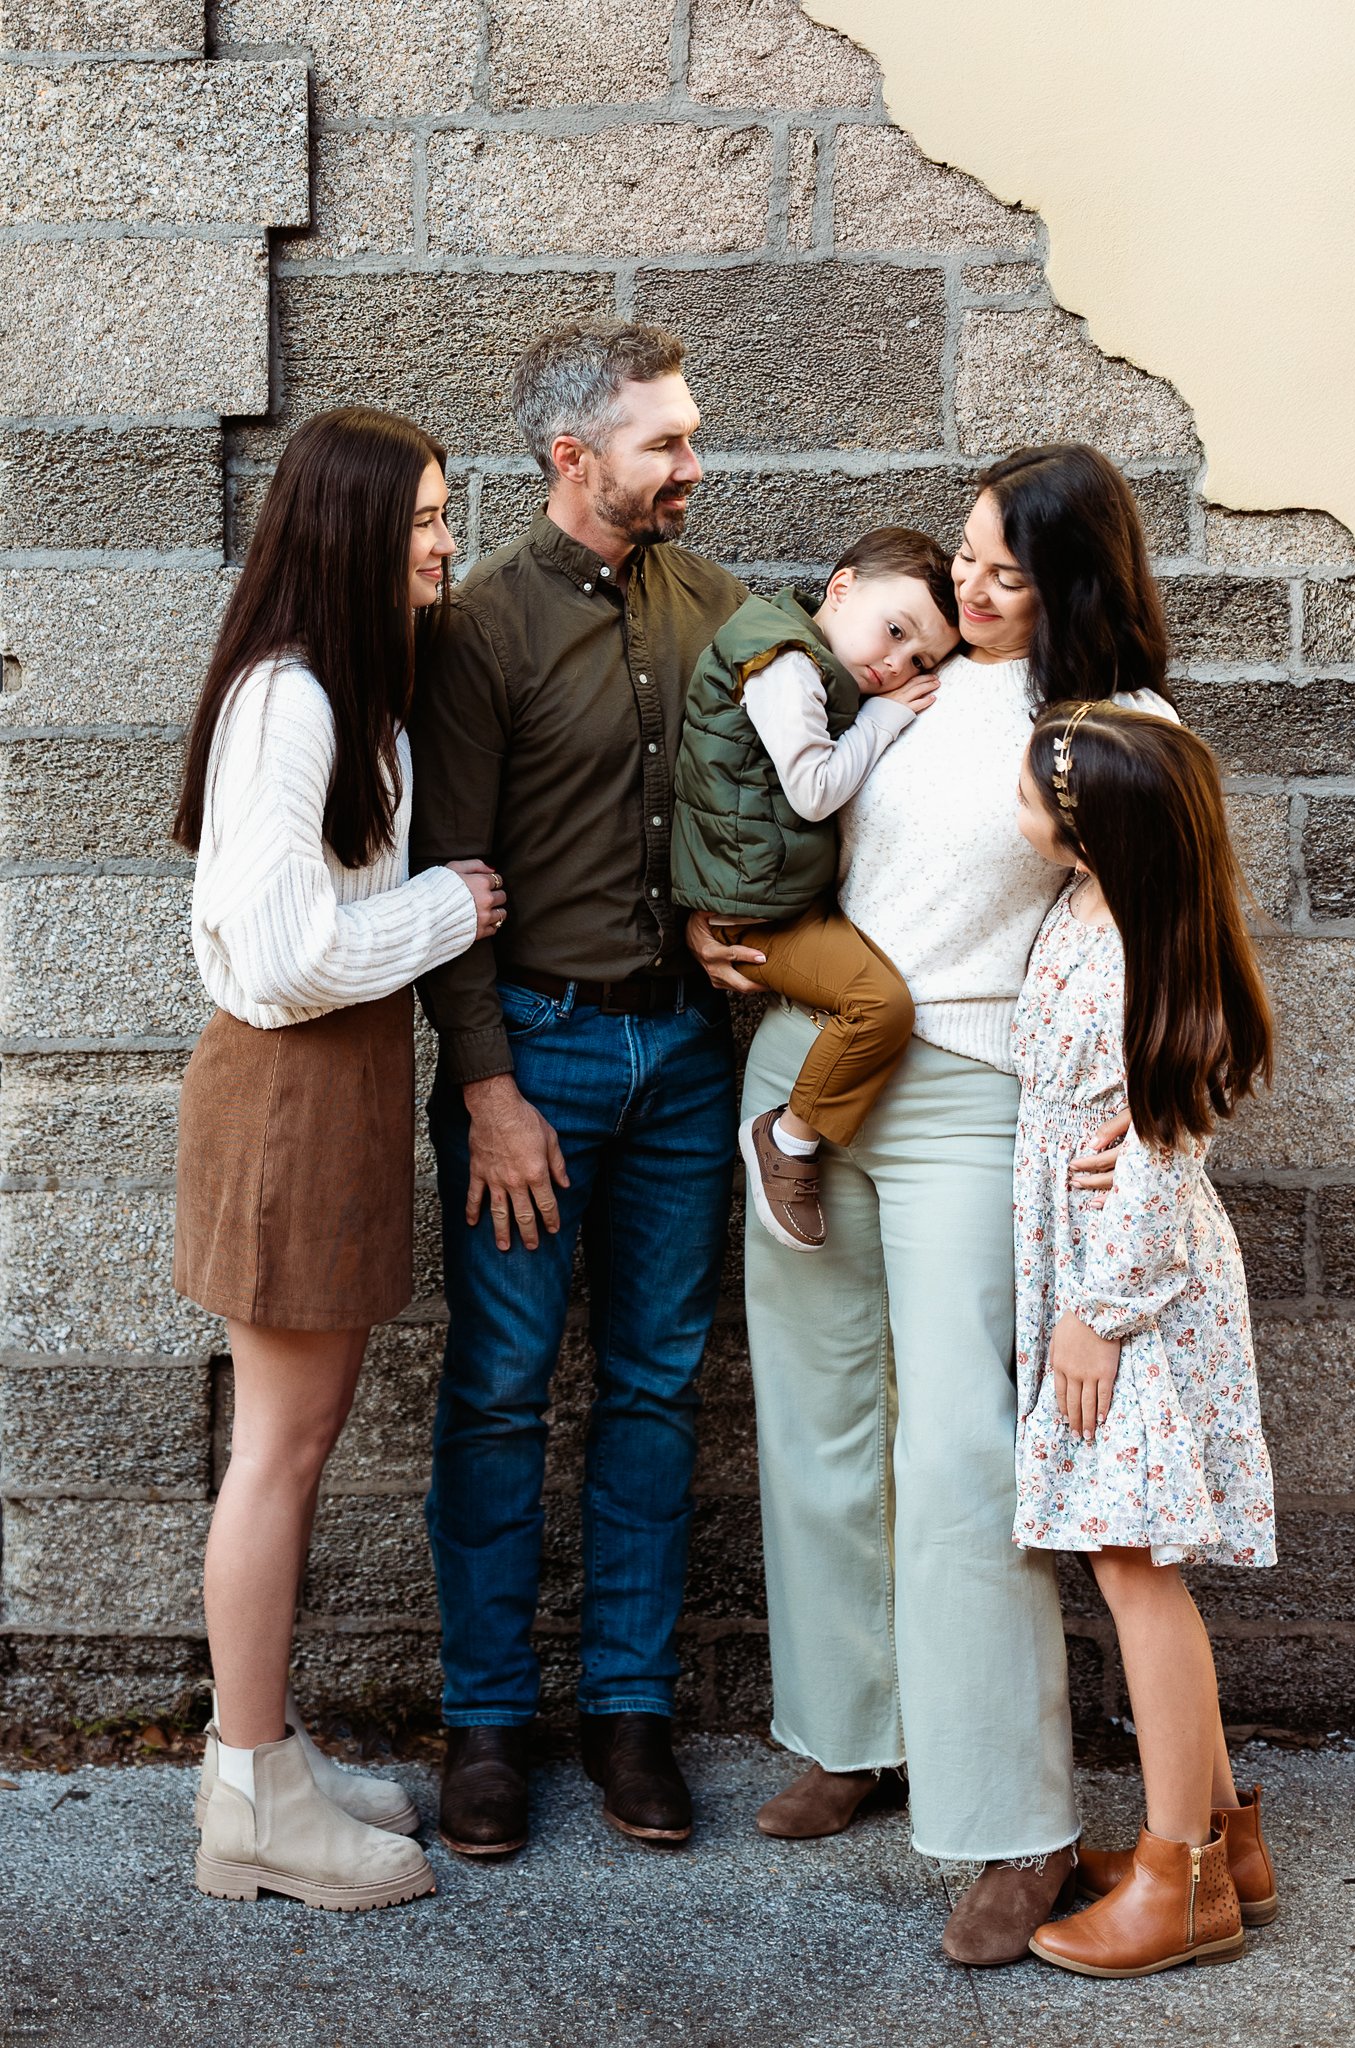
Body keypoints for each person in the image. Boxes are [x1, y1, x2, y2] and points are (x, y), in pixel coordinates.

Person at [689, 442, 1180, 1965]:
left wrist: (1160, 1112)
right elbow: (782, 826)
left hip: (971, 1091)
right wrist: (724, 930)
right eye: (964, 554)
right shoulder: (901, 679)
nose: (965, 587)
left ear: (1073, 585)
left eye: (1004, 573)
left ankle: (1013, 1823)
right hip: (802, 1065)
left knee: (964, 1446)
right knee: (816, 1415)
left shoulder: (1117, 726)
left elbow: (1181, 945)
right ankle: (853, 1731)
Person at [408, 320, 749, 1858]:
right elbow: (447, 877)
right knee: (496, 1390)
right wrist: (488, 1090)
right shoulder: (480, 630)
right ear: (572, 459)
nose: (693, 465)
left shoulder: (717, 607)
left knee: (656, 1390)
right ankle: (484, 1723)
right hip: (533, 1058)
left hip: (683, 1059)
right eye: (665, 442)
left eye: (689, 436)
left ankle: (629, 1713)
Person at [173, 405, 505, 1911]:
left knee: (290, 1447)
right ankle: (251, 1803)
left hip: (333, 1089)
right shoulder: (293, 697)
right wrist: (451, 907)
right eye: (425, 518)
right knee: (279, 1454)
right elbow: (283, 953)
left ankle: (263, 1760)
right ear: (357, 528)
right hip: (292, 1096)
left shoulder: (337, 686)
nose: (446, 541)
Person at [1013, 702, 1276, 1976]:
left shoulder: (1143, 960)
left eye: (1033, 795)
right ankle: (1227, 1842)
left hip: (1132, 1299)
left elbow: (1161, 1165)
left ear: (1093, 831)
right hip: (1097, 1273)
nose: (1016, 810)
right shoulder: (1086, 908)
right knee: (1126, 1553)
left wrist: (1095, 1315)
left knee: (1132, 1561)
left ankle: (1179, 1879)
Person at [672, 528, 959, 1251]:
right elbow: (813, 789)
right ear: (842, 587)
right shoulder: (784, 664)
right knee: (880, 1007)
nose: (895, 665)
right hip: (756, 911)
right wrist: (885, 718)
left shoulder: (801, 654)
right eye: (895, 631)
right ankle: (787, 1141)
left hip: (774, 893)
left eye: (919, 662)